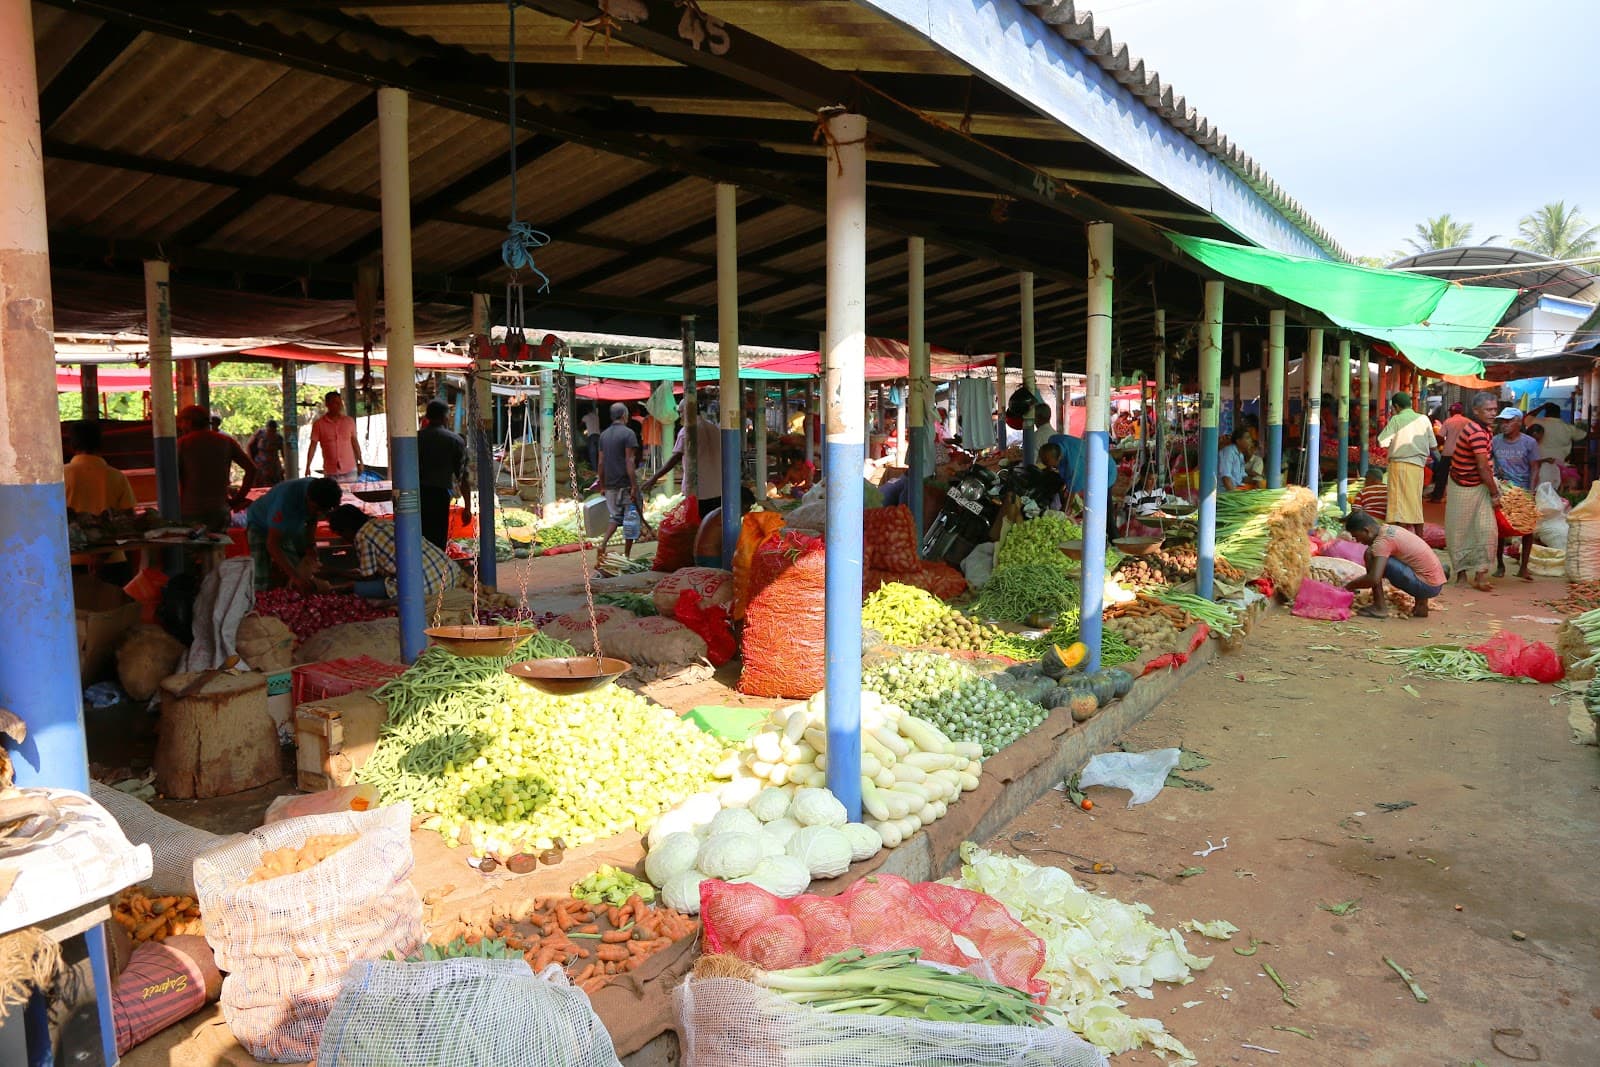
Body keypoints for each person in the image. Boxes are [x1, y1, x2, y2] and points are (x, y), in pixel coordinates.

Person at [325, 504, 454, 601]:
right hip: (447, 574)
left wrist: (336, 573)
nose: (343, 538)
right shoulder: (384, 523)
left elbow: (368, 576)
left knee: (358, 588)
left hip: (424, 587)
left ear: (347, 529)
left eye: (341, 533)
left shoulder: (362, 536)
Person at [64, 420, 137, 584]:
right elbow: (129, 520)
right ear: (100, 444)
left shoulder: (60, 476)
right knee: (116, 608)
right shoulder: (116, 476)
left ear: (72, 444)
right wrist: (102, 555)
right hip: (113, 561)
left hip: (70, 561)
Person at [1343, 509, 1446, 619]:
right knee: (1403, 560)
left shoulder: (1382, 542)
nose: (1358, 541)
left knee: (1370, 554)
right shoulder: (1390, 529)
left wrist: (1348, 586)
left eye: (1357, 536)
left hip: (1426, 586)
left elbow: (1373, 578)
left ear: (1366, 530)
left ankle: (1379, 607)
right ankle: (1421, 605)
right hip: (1435, 582)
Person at [245, 476, 342, 591]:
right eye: (316, 508)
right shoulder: (285, 503)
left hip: (288, 527)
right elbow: (272, 544)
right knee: (262, 575)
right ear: (308, 498)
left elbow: (312, 518)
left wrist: (310, 545)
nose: (318, 513)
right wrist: (295, 577)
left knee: (298, 569)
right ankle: (260, 599)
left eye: (322, 510)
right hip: (259, 525)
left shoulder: (320, 490)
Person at [1445, 392, 1501, 591]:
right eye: (1488, 410)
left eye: (1495, 409)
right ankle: (1461, 574)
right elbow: (1483, 467)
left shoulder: (1486, 429)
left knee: (1487, 531)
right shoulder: (1476, 431)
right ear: (1476, 411)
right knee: (1459, 531)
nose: (1493, 413)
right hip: (1462, 486)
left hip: (1480, 485)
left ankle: (1480, 574)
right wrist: (1495, 494)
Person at [176, 404, 257, 530]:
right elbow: (251, 470)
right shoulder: (226, 441)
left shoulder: (183, 444)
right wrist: (237, 499)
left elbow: (171, 478)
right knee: (218, 547)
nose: (180, 427)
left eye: (181, 422)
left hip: (191, 511)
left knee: (194, 549)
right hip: (220, 510)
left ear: (188, 422)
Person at [642, 401, 723, 515]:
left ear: (687, 411)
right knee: (714, 525)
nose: (680, 416)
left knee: (699, 526)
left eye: (681, 412)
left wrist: (654, 478)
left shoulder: (687, 431)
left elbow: (675, 458)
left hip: (700, 491)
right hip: (718, 488)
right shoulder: (714, 428)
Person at [1375, 392, 1437, 535]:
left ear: (1396, 406)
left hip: (1399, 466)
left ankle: (1401, 540)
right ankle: (1419, 539)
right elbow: (1433, 445)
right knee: (1415, 504)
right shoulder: (1424, 419)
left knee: (1399, 507)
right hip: (1418, 467)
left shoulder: (1397, 419)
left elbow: (1382, 441)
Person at [1491, 407, 1540, 581]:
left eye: (1508, 421)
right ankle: (1500, 565)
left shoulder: (1529, 443)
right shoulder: (1495, 441)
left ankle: (1523, 568)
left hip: (1523, 491)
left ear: (1518, 422)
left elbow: (1535, 467)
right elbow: (1488, 462)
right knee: (1499, 528)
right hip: (1502, 490)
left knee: (1528, 529)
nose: (1504, 425)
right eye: (1502, 421)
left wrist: (1532, 491)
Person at [417, 399, 469, 551]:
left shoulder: (414, 439)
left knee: (419, 537)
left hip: (416, 495)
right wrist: (467, 506)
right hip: (440, 496)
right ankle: (436, 570)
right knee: (438, 539)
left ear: (427, 417)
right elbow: (463, 477)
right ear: (446, 417)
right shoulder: (454, 440)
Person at [594, 402, 642, 559]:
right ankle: (627, 555)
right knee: (631, 518)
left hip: (610, 485)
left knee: (615, 517)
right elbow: (630, 461)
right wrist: (634, 486)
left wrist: (602, 484)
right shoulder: (628, 434)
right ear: (624, 416)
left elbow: (600, 462)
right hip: (625, 483)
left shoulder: (604, 435)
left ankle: (603, 544)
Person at [305, 391, 362, 482]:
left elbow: (355, 442)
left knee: (351, 496)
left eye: (340, 403)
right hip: (331, 471)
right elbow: (313, 446)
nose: (339, 405)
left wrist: (360, 461)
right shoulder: (319, 424)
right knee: (332, 496)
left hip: (350, 469)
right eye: (335, 403)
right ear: (327, 404)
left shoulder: (349, 421)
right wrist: (308, 466)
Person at [1431, 402, 1471, 503]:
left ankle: (1437, 497)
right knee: (1464, 475)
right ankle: (1463, 498)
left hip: (1448, 452)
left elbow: (1440, 437)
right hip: (1463, 453)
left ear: (1451, 412)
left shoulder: (1448, 421)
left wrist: (1446, 442)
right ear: (1461, 412)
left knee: (1442, 475)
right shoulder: (1468, 422)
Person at [1526, 401, 1586, 466]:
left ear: (1546, 413)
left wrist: (1542, 407)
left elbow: (1526, 417)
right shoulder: (1568, 428)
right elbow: (1584, 435)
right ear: (1559, 414)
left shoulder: (1535, 422)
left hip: (1539, 463)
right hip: (1560, 464)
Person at [246, 418, 286, 486]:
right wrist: (251, 462)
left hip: (274, 467)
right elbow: (249, 446)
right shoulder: (260, 433)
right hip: (260, 465)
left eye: (273, 430)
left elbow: (283, 453)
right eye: (269, 430)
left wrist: (285, 466)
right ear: (266, 428)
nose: (271, 432)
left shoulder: (279, 438)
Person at [581, 404, 602, 473]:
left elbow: (580, 424)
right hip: (599, 436)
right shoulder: (596, 416)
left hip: (591, 436)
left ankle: (595, 472)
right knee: (599, 455)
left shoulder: (585, 417)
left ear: (586, 410)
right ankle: (601, 470)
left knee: (592, 455)